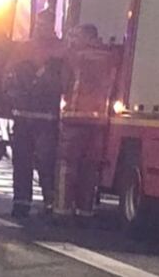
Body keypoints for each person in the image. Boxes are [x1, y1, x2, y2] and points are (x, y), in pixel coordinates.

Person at [55, 23, 122, 223]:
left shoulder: (74, 56)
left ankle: (62, 211)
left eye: (78, 36)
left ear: (86, 37)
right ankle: (85, 212)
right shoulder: (109, 57)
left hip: (74, 119)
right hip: (98, 121)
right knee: (90, 169)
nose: (75, 39)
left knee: (67, 167)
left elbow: (62, 83)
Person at [7, 17, 65, 218]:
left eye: (46, 25)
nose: (42, 28)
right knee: (21, 160)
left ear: (53, 27)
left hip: (47, 117)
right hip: (23, 115)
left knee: (46, 161)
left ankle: (50, 200)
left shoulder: (60, 50)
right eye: (40, 25)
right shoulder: (24, 48)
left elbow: (63, 81)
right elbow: (9, 74)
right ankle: (21, 201)